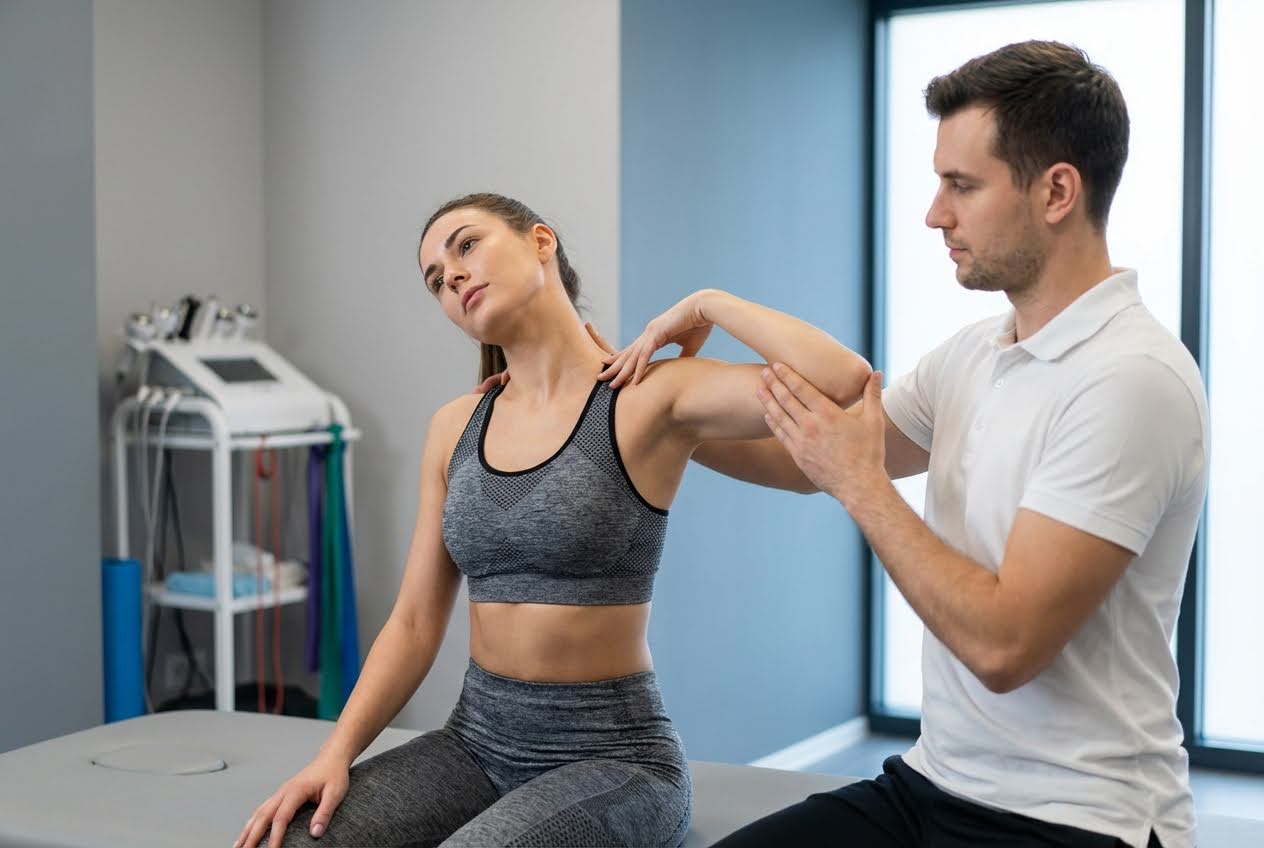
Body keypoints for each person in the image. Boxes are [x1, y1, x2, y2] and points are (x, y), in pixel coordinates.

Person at [630, 41, 1203, 848]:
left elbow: (1004, 646)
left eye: (961, 186)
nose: (936, 213)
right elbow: (808, 453)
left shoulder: (1131, 382)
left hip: (1076, 816)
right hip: (933, 784)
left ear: (1057, 192)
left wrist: (861, 485)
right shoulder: (976, 353)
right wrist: (656, 417)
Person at [233, 192, 871, 848]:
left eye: (466, 245)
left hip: (617, 760)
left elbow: (843, 382)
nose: (450, 276)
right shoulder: (454, 427)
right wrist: (333, 754)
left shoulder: (649, 399)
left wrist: (708, 303)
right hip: (473, 744)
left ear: (542, 243)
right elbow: (416, 622)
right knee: (295, 842)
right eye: (434, 280)